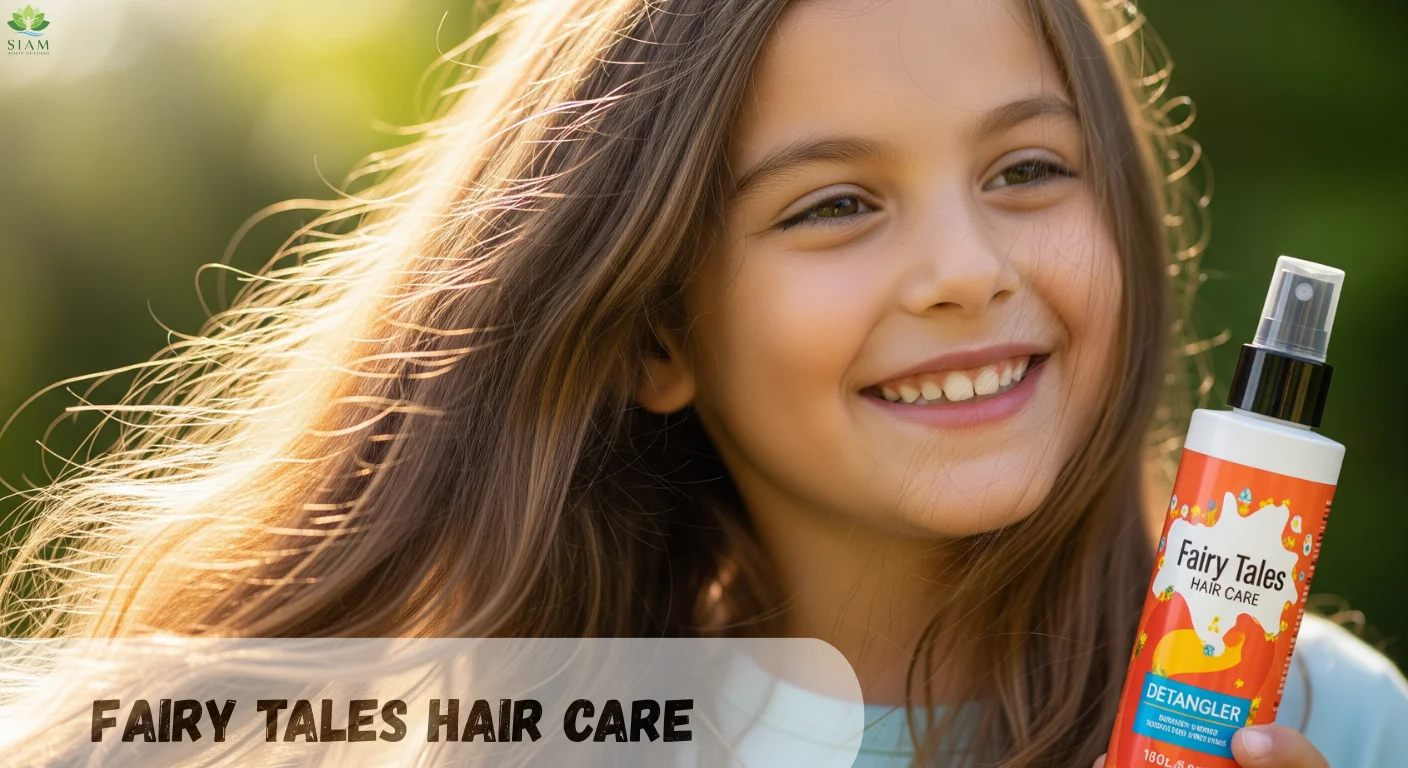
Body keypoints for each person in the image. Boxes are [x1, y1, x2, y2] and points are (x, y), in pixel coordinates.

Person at [1, 0, 1403, 765]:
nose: (968, 269)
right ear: (654, 337)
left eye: (1028, 171)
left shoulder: (1339, 727)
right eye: (834, 205)